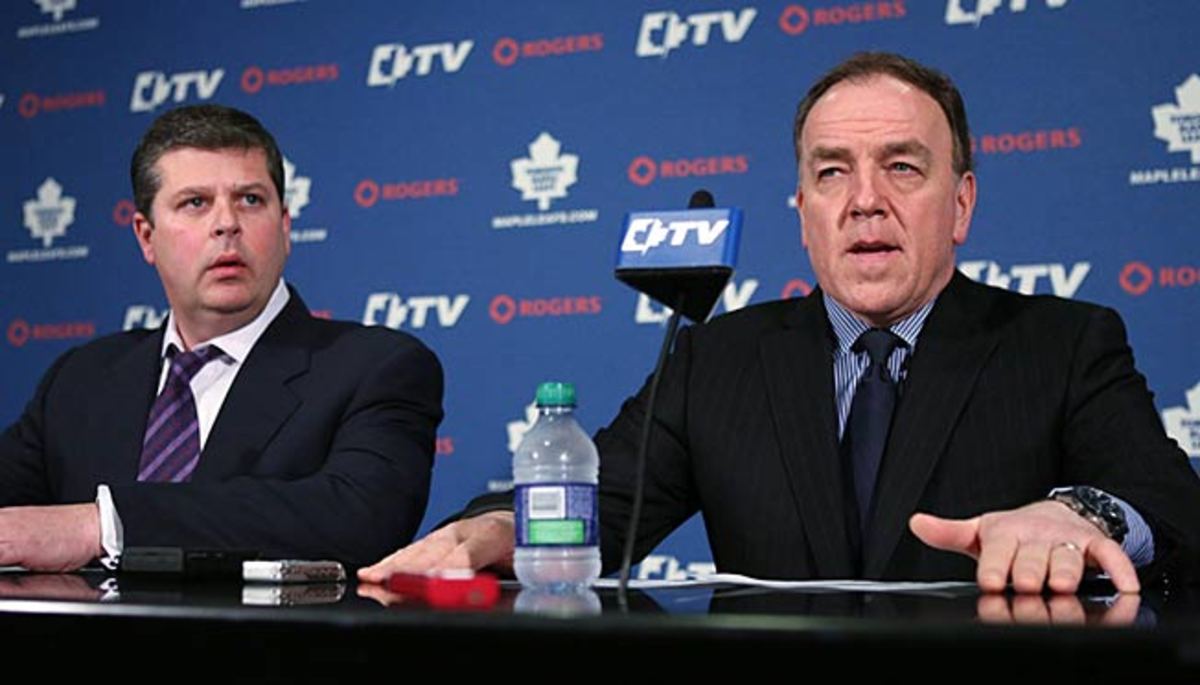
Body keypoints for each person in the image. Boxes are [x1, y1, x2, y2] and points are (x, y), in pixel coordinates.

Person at [360, 52, 1200, 594]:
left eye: (902, 166)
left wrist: (1080, 515)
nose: (865, 199)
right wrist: (495, 528)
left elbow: (1173, 506)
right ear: (803, 213)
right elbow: (599, 505)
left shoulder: (1065, 343)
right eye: (832, 172)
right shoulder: (718, 358)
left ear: (963, 203)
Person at [0, 105, 443, 570]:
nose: (227, 223)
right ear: (146, 237)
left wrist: (102, 525)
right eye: (195, 202)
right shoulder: (82, 378)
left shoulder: (376, 367)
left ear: (286, 226)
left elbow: (361, 518)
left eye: (250, 200)